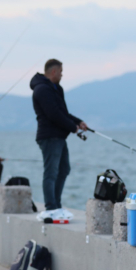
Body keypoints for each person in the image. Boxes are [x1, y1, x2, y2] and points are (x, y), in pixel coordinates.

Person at [30, 59, 88, 215]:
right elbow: (53, 114)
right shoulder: (42, 89)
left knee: (64, 169)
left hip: (59, 137)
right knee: (51, 172)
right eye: (61, 71)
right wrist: (73, 128)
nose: (62, 75)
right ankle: (51, 207)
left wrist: (78, 122)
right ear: (54, 71)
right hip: (49, 137)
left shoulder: (56, 88)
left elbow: (63, 113)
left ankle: (56, 204)